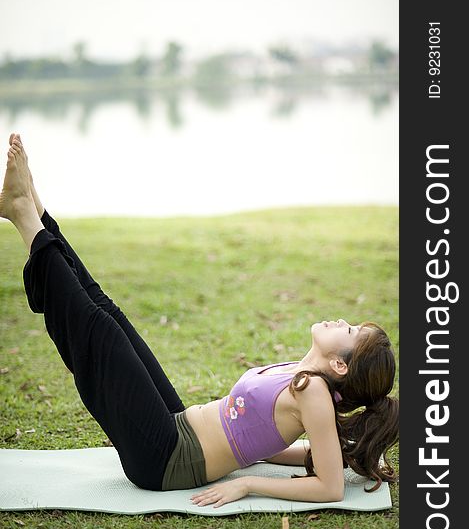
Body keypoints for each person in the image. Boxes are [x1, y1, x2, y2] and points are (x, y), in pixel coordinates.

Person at [0, 133, 399, 508]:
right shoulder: (302, 377)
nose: (341, 320)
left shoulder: (312, 391)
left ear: (341, 364)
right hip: (177, 425)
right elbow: (270, 440)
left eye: (349, 331)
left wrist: (247, 483)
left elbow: (329, 488)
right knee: (109, 314)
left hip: (166, 458)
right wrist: (328, 454)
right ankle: (36, 209)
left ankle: (23, 216)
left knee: (99, 333)